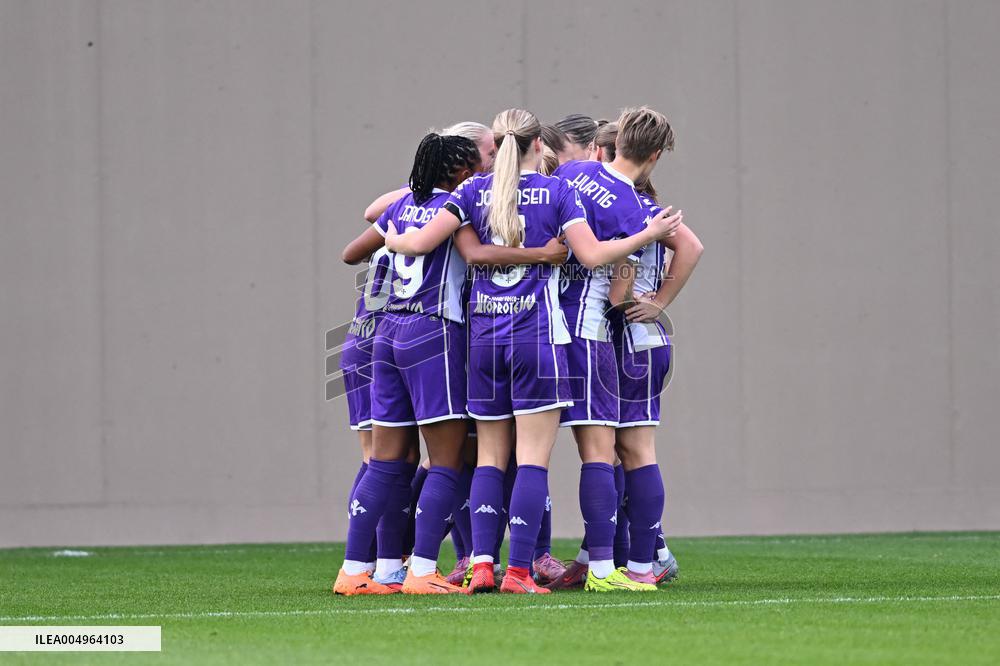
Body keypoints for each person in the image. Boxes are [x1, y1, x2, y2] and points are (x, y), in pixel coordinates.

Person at [387, 108, 683, 594]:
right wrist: (646, 237)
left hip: (482, 339)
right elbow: (591, 256)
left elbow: (425, 241)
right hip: (537, 339)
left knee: (486, 459)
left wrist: (391, 235)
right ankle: (523, 572)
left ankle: (481, 563)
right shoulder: (558, 191)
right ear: (539, 147)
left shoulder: (471, 191)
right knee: (533, 461)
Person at [334, 132, 483, 595]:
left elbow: (350, 254)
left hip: (385, 334)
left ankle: (356, 570)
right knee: (447, 461)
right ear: (461, 172)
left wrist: (395, 229)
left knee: (385, 460)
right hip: (432, 332)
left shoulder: (398, 209)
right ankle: (421, 570)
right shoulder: (457, 212)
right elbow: (476, 254)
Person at [546, 106, 685, 592]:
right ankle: (641, 564)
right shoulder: (640, 211)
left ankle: (602, 566)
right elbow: (624, 290)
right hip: (625, 335)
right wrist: (659, 300)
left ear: (610, 142)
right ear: (655, 155)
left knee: (598, 454)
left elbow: (612, 290)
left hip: (580, 330)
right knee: (635, 450)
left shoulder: (574, 172)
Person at [604, 112, 703, 585]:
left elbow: (689, 247)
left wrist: (656, 301)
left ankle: (648, 558)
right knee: (621, 449)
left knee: (636, 449)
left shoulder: (636, 206)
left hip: (636, 338)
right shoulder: (629, 199)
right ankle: (632, 555)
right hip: (631, 339)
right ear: (657, 154)